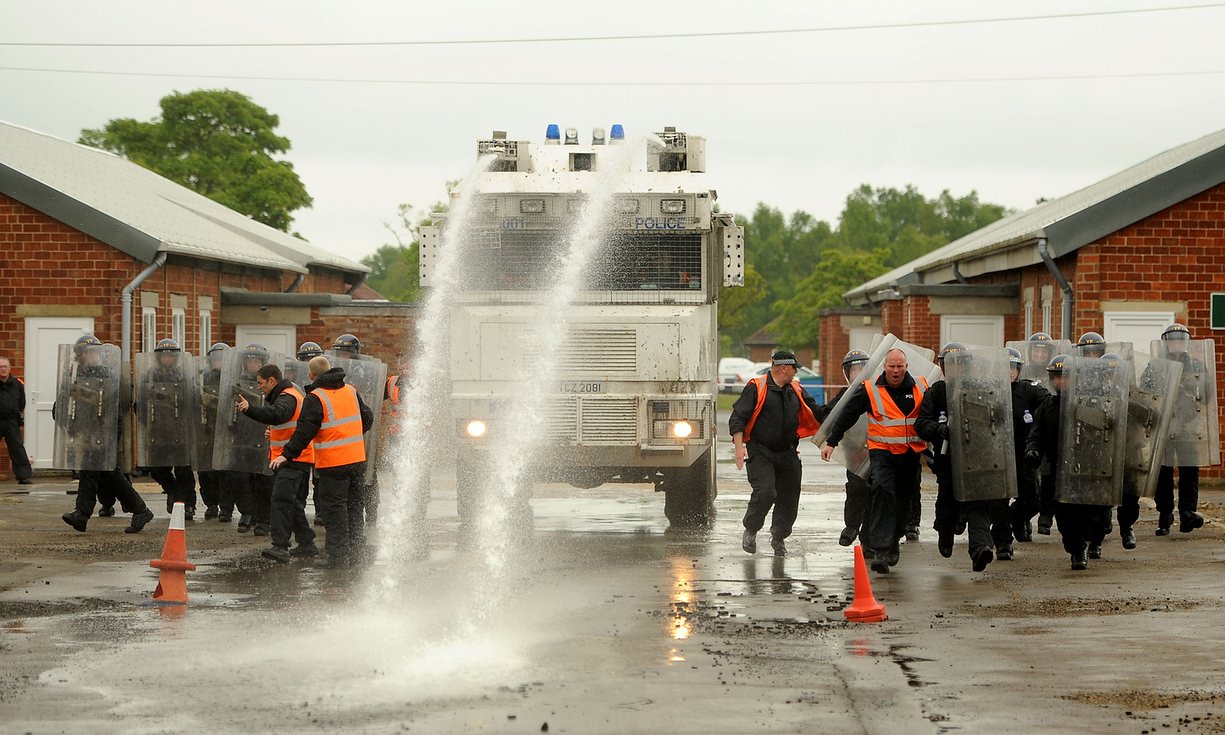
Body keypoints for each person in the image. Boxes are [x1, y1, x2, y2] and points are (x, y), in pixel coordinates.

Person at [821, 347, 929, 574]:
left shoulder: (921, 387)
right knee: (881, 490)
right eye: (892, 366)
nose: (896, 371)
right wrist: (831, 441)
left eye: (900, 366)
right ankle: (879, 550)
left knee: (902, 503)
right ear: (884, 367)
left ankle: (891, 544)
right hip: (882, 454)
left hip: (910, 456)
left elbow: (935, 414)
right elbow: (847, 415)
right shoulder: (870, 390)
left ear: (906, 367)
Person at [916, 344, 1014, 572]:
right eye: (950, 364)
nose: (956, 368)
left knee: (978, 504)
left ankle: (980, 549)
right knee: (947, 503)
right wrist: (937, 429)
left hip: (977, 458)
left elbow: (998, 417)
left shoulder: (979, 388)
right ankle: (945, 532)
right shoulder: (936, 392)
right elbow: (921, 423)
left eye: (960, 363)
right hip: (948, 461)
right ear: (942, 367)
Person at [274, 355, 373, 568]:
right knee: (355, 507)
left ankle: (337, 557)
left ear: (312, 375)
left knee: (334, 510)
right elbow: (368, 418)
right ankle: (356, 553)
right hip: (357, 459)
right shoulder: (351, 390)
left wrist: (287, 454)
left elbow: (304, 432)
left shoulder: (315, 397)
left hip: (333, 463)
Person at [57, 335, 155, 534]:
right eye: (87, 353)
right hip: (86, 435)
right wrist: (64, 417)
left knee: (94, 472)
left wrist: (112, 436)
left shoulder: (106, 376)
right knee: (108, 475)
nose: (91, 356)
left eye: (94, 352)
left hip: (103, 434)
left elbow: (115, 411)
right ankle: (140, 510)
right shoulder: (74, 377)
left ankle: (82, 515)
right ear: (80, 356)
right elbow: (60, 406)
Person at [730, 350, 820, 557]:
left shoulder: (795, 388)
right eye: (794, 368)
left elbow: (816, 411)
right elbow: (737, 418)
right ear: (784, 368)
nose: (796, 372)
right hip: (761, 451)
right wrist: (738, 448)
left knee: (789, 498)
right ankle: (751, 530)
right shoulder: (757, 387)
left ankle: (778, 537)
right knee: (766, 492)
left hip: (788, 452)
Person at [1025, 354, 1111, 570]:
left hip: (1088, 468)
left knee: (1094, 514)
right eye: (1056, 378)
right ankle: (1076, 550)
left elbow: (1107, 429)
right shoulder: (1047, 405)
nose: (1060, 382)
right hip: (1059, 468)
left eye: (1064, 377)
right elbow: (1037, 433)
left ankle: (1094, 541)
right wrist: (1033, 450)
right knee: (1065, 514)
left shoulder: (1089, 401)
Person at [237, 363, 318, 562]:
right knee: (290, 502)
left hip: (293, 458)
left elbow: (277, 414)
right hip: (292, 457)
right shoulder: (287, 395)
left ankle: (280, 546)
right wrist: (272, 432)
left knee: (281, 500)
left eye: (261, 383)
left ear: (272, 381)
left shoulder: (287, 396)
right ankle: (307, 542)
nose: (259, 387)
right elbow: (283, 421)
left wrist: (249, 409)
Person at [1153, 323, 1208, 535]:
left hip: (1187, 426)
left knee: (1189, 469)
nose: (1176, 343)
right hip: (1164, 426)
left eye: (1180, 339)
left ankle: (1187, 513)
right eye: (1172, 339)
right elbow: (1146, 390)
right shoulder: (1156, 366)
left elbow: (1207, 394)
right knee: (1163, 472)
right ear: (1166, 343)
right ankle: (1165, 514)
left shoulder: (1196, 367)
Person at [815, 349, 872, 547]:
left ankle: (870, 537)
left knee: (878, 492)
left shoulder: (876, 390)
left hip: (879, 449)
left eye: (861, 368)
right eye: (853, 369)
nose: (857, 373)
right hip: (854, 452)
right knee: (857, 487)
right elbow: (827, 416)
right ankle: (852, 526)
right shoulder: (844, 395)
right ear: (847, 373)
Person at [138, 338, 197, 519]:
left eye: (171, 356)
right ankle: (172, 490)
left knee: (184, 471)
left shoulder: (184, 377)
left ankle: (188, 505)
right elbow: (140, 404)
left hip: (180, 430)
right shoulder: (150, 376)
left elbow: (193, 402)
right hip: (158, 431)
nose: (167, 359)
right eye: (164, 356)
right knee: (158, 470)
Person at [1005, 347, 1049, 542]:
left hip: (1024, 451)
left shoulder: (1027, 388)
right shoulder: (990, 390)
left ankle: (1015, 517)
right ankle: (1007, 530)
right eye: (1006, 367)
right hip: (999, 452)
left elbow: (1048, 399)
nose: (1010, 372)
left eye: (1014, 368)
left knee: (1032, 500)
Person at [0, 356, 33, 485]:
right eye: (0, 367)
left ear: (9, 368)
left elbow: (22, 402)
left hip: (11, 420)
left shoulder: (17, 384)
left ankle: (23, 476)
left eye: (5, 366)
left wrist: (19, 418)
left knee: (17, 448)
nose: (3, 369)